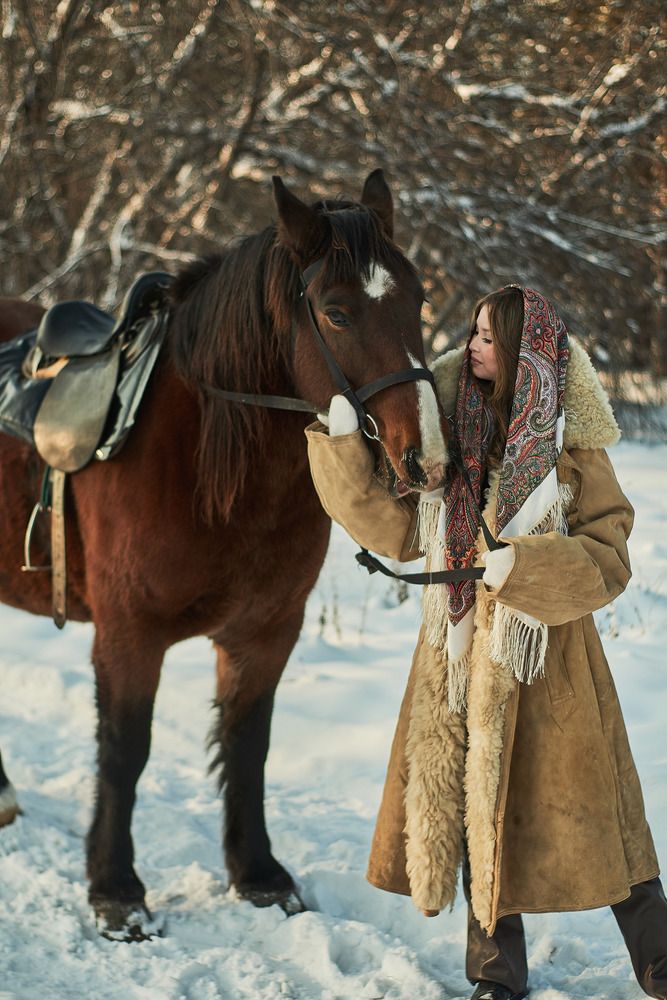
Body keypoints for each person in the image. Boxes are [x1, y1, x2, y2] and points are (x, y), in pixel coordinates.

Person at [305, 285, 667, 1000]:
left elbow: (610, 552)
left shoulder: (571, 441)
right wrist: (343, 450)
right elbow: (401, 533)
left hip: (552, 665)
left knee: (604, 818)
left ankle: (659, 959)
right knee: (477, 812)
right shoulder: (444, 430)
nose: (470, 346)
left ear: (523, 350)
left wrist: (526, 568)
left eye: (487, 337)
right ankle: (495, 975)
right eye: (471, 332)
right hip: (458, 653)